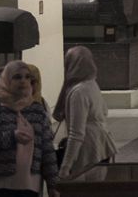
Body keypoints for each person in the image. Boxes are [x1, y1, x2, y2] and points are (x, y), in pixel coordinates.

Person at [0, 60, 59, 197]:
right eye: (17, 77)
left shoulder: (36, 110)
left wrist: (53, 184)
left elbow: (47, 150)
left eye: (27, 77)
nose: (23, 81)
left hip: (29, 187)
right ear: (6, 79)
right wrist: (11, 137)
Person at [55, 46, 118, 179]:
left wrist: (65, 166)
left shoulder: (79, 91)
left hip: (89, 150)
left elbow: (76, 133)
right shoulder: (91, 84)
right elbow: (104, 111)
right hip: (100, 144)